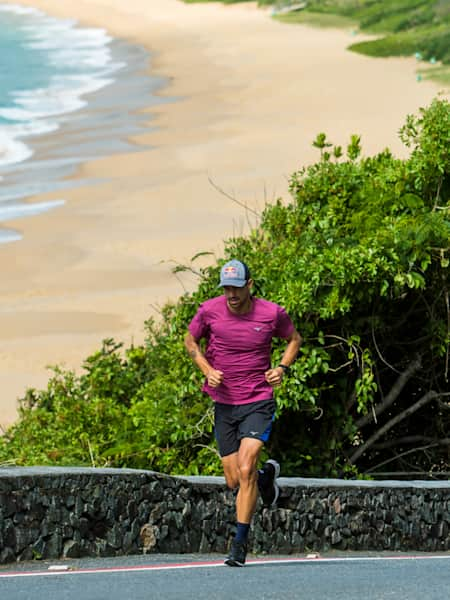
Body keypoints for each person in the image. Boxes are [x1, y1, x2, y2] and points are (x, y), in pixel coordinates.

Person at [184, 259, 302, 567]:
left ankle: (239, 544)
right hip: (225, 403)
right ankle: (267, 480)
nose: (231, 295)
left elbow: (294, 339)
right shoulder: (209, 310)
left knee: (247, 466)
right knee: (235, 479)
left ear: (249, 285)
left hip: (257, 400)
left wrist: (281, 368)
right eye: (226, 289)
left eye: (236, 288)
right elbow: (190, 340)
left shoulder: (271, 313)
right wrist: (207, 369)